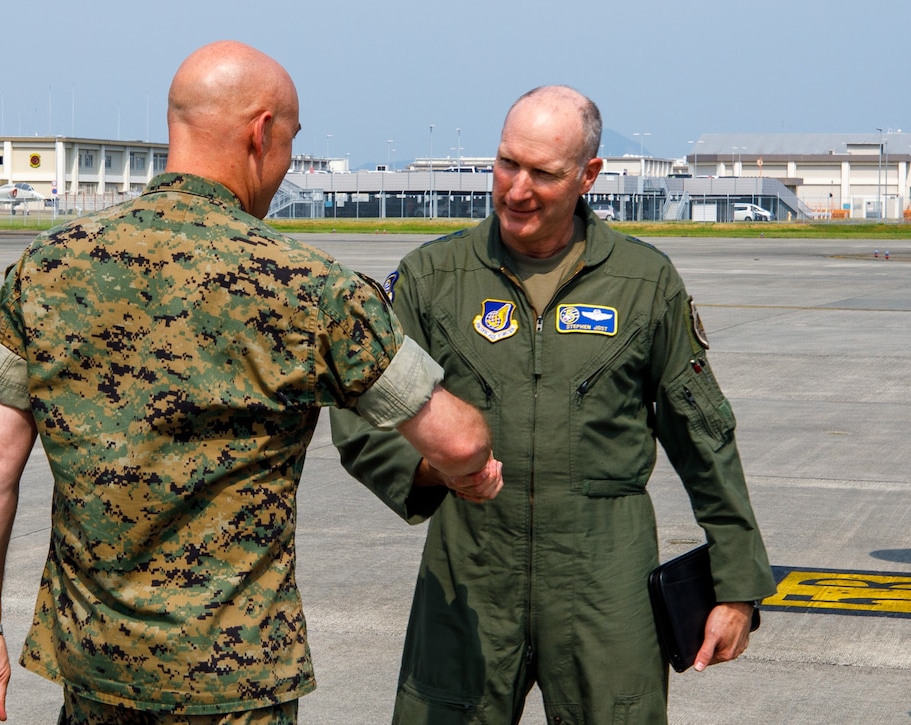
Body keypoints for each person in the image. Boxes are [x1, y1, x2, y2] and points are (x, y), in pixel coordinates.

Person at [0, 40, 502, 725]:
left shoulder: (46, 267)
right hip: (235, 680)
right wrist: (472, 466)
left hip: (95, 668)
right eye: (291, 141)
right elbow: (456, 440)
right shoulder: (311, 286)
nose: (288, 160)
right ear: (261, 133)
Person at [331, 85, 776, 724]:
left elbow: (703, 434)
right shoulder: (432, 278)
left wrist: (737, 587)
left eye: (544, 173)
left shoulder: (644, 282)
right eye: (507, 163)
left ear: (588, 176)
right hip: (470, 570)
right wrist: (434, 470)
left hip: (605, 577)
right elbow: (360, 407)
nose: (517, 189)